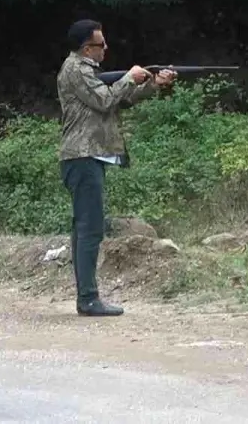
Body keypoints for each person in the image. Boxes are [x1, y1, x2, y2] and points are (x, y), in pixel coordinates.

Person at [56, 19, 176, 316]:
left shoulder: (86, 71)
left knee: (86, 228)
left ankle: (87, 296)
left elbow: (122, 100)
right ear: (87, 48)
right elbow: (105, 100)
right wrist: (130, 77)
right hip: (82, 156)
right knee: (90, 228)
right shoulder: (75, 69)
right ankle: (88, 299)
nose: (106, 48)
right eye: (101, 44)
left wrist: (151, 85)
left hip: (88, 156)